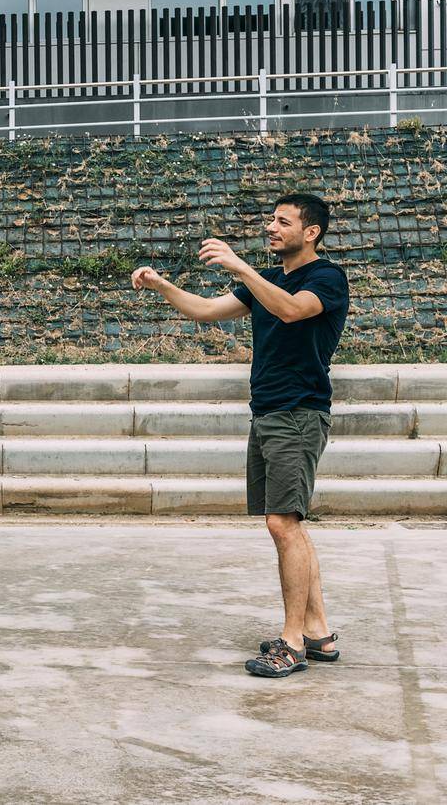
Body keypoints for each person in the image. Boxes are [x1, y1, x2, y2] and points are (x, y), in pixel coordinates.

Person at [131, 194, 349, 679]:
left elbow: (293, 311)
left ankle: (292, 644)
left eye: (282, 222)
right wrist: (164, 285)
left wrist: (240, 266)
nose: (271, 227)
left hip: (299, 412)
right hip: (269, 413)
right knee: (289, 523)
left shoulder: (325, 278)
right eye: (270, 220)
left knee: (283, 523)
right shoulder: (268, 279)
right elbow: (208, 310)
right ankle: (318, 632)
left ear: (310, 232)